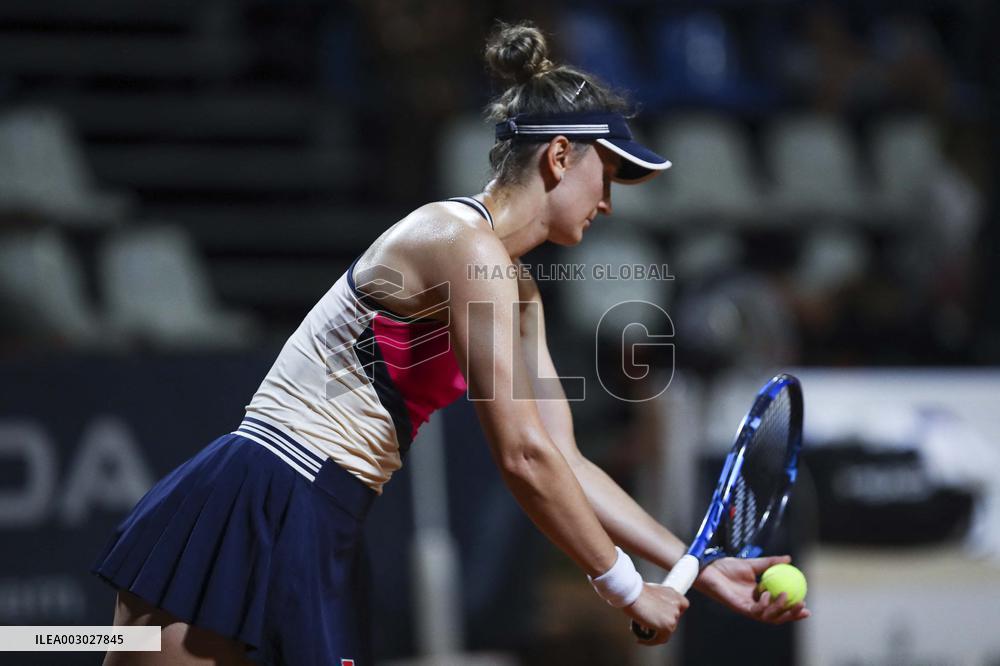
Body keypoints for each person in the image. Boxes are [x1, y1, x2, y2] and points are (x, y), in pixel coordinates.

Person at [92, 21, 810, 666]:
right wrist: (625, 587)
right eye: (608, 173)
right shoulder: (457, 243)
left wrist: (696, 561)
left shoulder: (514, 288)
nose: (609, 201)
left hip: (322, 512)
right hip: (268, 496)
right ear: (560, 157)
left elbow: (562, 459)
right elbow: (523, 458)